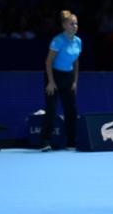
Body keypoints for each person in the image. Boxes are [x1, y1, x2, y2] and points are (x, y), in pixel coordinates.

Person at [40, 10, 81, 151]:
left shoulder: (78, 41)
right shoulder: (57, 40)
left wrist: (75, 81)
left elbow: (76, 63)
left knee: (71, 110)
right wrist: (51, 82)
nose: (75, 26)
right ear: (64, 25)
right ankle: (45, 141)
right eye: (72, 23)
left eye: (76, 23)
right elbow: (48, 62)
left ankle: (71, 142)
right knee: (51, 110)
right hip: (53, 76)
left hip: (68, 77)